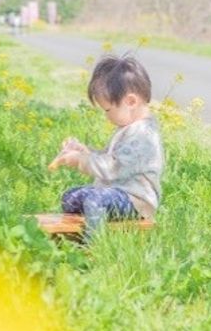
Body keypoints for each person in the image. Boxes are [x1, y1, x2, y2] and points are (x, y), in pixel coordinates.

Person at [48, 55, 164, 238]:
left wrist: (81, 161)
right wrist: (85, 152)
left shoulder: (143, 136)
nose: (106, 116)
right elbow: (110, 156)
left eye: (108, 110)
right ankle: (74, 235)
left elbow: (112, 168)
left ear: (131, 102)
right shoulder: (129, 129)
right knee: (70, 197)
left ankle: (93, 246)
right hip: (115, 194)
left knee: (95, 200)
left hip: (135, 200)